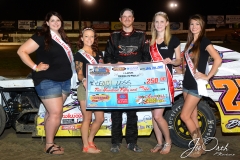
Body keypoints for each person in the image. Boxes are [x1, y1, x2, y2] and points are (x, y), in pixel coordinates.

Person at [17, 11, 74, 155]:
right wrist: (35, 67)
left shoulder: (63, 37)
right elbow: (21, 51)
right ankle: (49, 145)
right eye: (52, 20)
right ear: (47, 23)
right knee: (56, 112)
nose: (56, 23)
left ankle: (50, 142)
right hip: (47, 80)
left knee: (54, 114)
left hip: (64, 81)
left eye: (58, 20)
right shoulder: (41, 36)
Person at [104, 8, 151, 153]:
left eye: (129, 16)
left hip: (135, 81)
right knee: (116, 113)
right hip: (117, 81)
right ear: (120, 19)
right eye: (124, 17)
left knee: (132, 113)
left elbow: (147, 58)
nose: (127, 19)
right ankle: (115, 142)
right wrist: (115, 64)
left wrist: (140, 64)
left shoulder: (142, 36)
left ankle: (132, 142)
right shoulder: (113, 36)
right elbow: (107, 58)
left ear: (133, 18)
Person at [180, 14, 222, 158]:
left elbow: (217, 59)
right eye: (192, 24)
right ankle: (202, 146)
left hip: (196, 85)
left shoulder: (204, 41)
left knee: (184, 116)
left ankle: (198, 146)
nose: (194, 27)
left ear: (202, 26)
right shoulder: (190, 42)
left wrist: (208, 76)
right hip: (186, 83)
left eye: (197, 24)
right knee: (192, 116)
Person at [149, 11, 181, 154]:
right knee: (153, 116)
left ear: (167, 23)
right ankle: (159, 142)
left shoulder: (173, 40)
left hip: (164, 82)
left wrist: (172, 61)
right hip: (151, 81)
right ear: (153, 24)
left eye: (162, 21)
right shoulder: (150, 42)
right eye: (157, 22)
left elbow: (179, 60)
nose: (159, 24)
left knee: (158, 115)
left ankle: (168, 142)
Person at [74, 27, 104, 153]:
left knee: (100, 118)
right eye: (86, 36)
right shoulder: (79, 54)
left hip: (98, 89)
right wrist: (84, 80)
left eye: (92, 36)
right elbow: (79, 74)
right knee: (87, 118)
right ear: (82, 38)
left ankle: (90, 140)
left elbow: (103, 70)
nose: (89, 39)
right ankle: (85, 146)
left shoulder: (99, 53)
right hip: (85, 88)